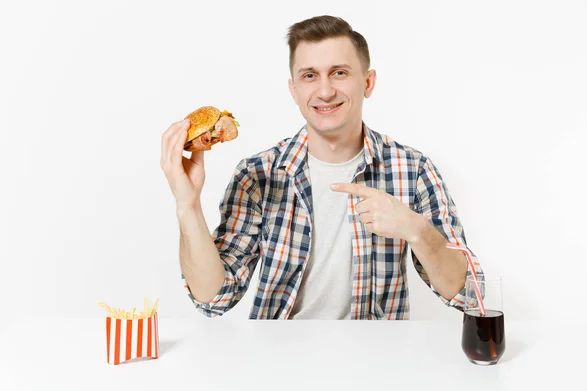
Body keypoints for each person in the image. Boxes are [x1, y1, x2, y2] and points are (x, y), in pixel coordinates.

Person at [160, 15, 483, 320]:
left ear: (368, 82)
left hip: (377, 365)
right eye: (310, 76)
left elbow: (467, 293)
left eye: (339, 73)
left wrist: (415, 229)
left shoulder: (413, 170)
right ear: (294, 90)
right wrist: (187, 205)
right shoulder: (257, 174)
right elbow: (214, 299)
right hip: (279, 361)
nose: (325, 91)